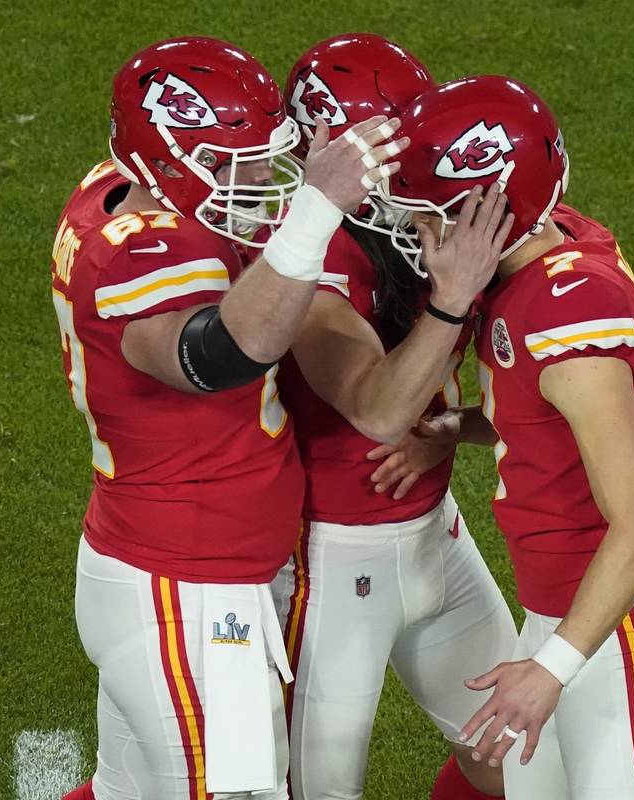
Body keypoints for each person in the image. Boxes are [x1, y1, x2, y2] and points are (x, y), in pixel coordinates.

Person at [372, 75, 634, 800]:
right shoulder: (555, 239)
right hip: (559, 618)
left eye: (432, 214)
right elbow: (540, 397)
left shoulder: (566, 322)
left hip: (612, 636)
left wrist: (551, 669)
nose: (417, 231)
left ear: (492, 211)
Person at [50, 36, 407, 800]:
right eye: (229, 162)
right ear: (170, 159)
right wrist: (314, 214)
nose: (257, 179)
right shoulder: (144, 254)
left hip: (179, 569)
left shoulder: (119, 190)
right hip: (185, 589)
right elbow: (217, 356)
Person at [270, 34, 518, 800]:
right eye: (394, 146)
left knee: (517, 757)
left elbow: (553, 281)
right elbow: (378, 409)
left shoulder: (418, 213)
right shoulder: (305, 257)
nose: (420, 161)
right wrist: (452, 300)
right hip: (332, 558)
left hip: (435, 534)